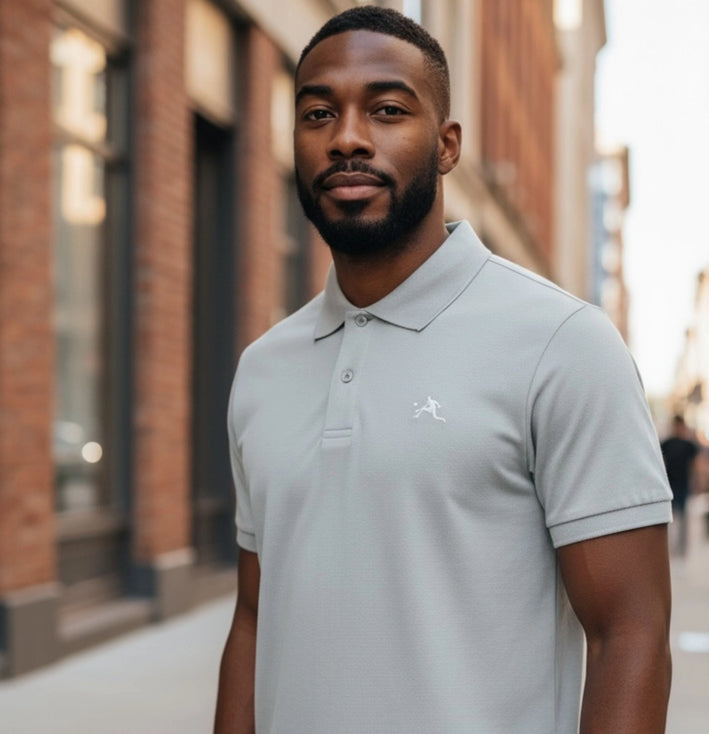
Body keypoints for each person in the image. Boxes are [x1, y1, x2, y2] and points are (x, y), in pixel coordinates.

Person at [214, 7, 673, 733]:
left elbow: (631, 633)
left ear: (447, 144)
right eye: (317, 114)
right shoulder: (263, 368)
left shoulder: (562, 343)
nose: (348, 138)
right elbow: (254, 616)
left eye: (388, 109)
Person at [660, 415, 699, 556]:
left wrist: (697, 482)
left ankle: (681, 550)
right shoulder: (666, 443)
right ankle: (671, 548)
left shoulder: (689, 445)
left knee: (683, 520)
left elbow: (695, 465)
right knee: (670, 521)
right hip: (669, 486)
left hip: (683, 485)